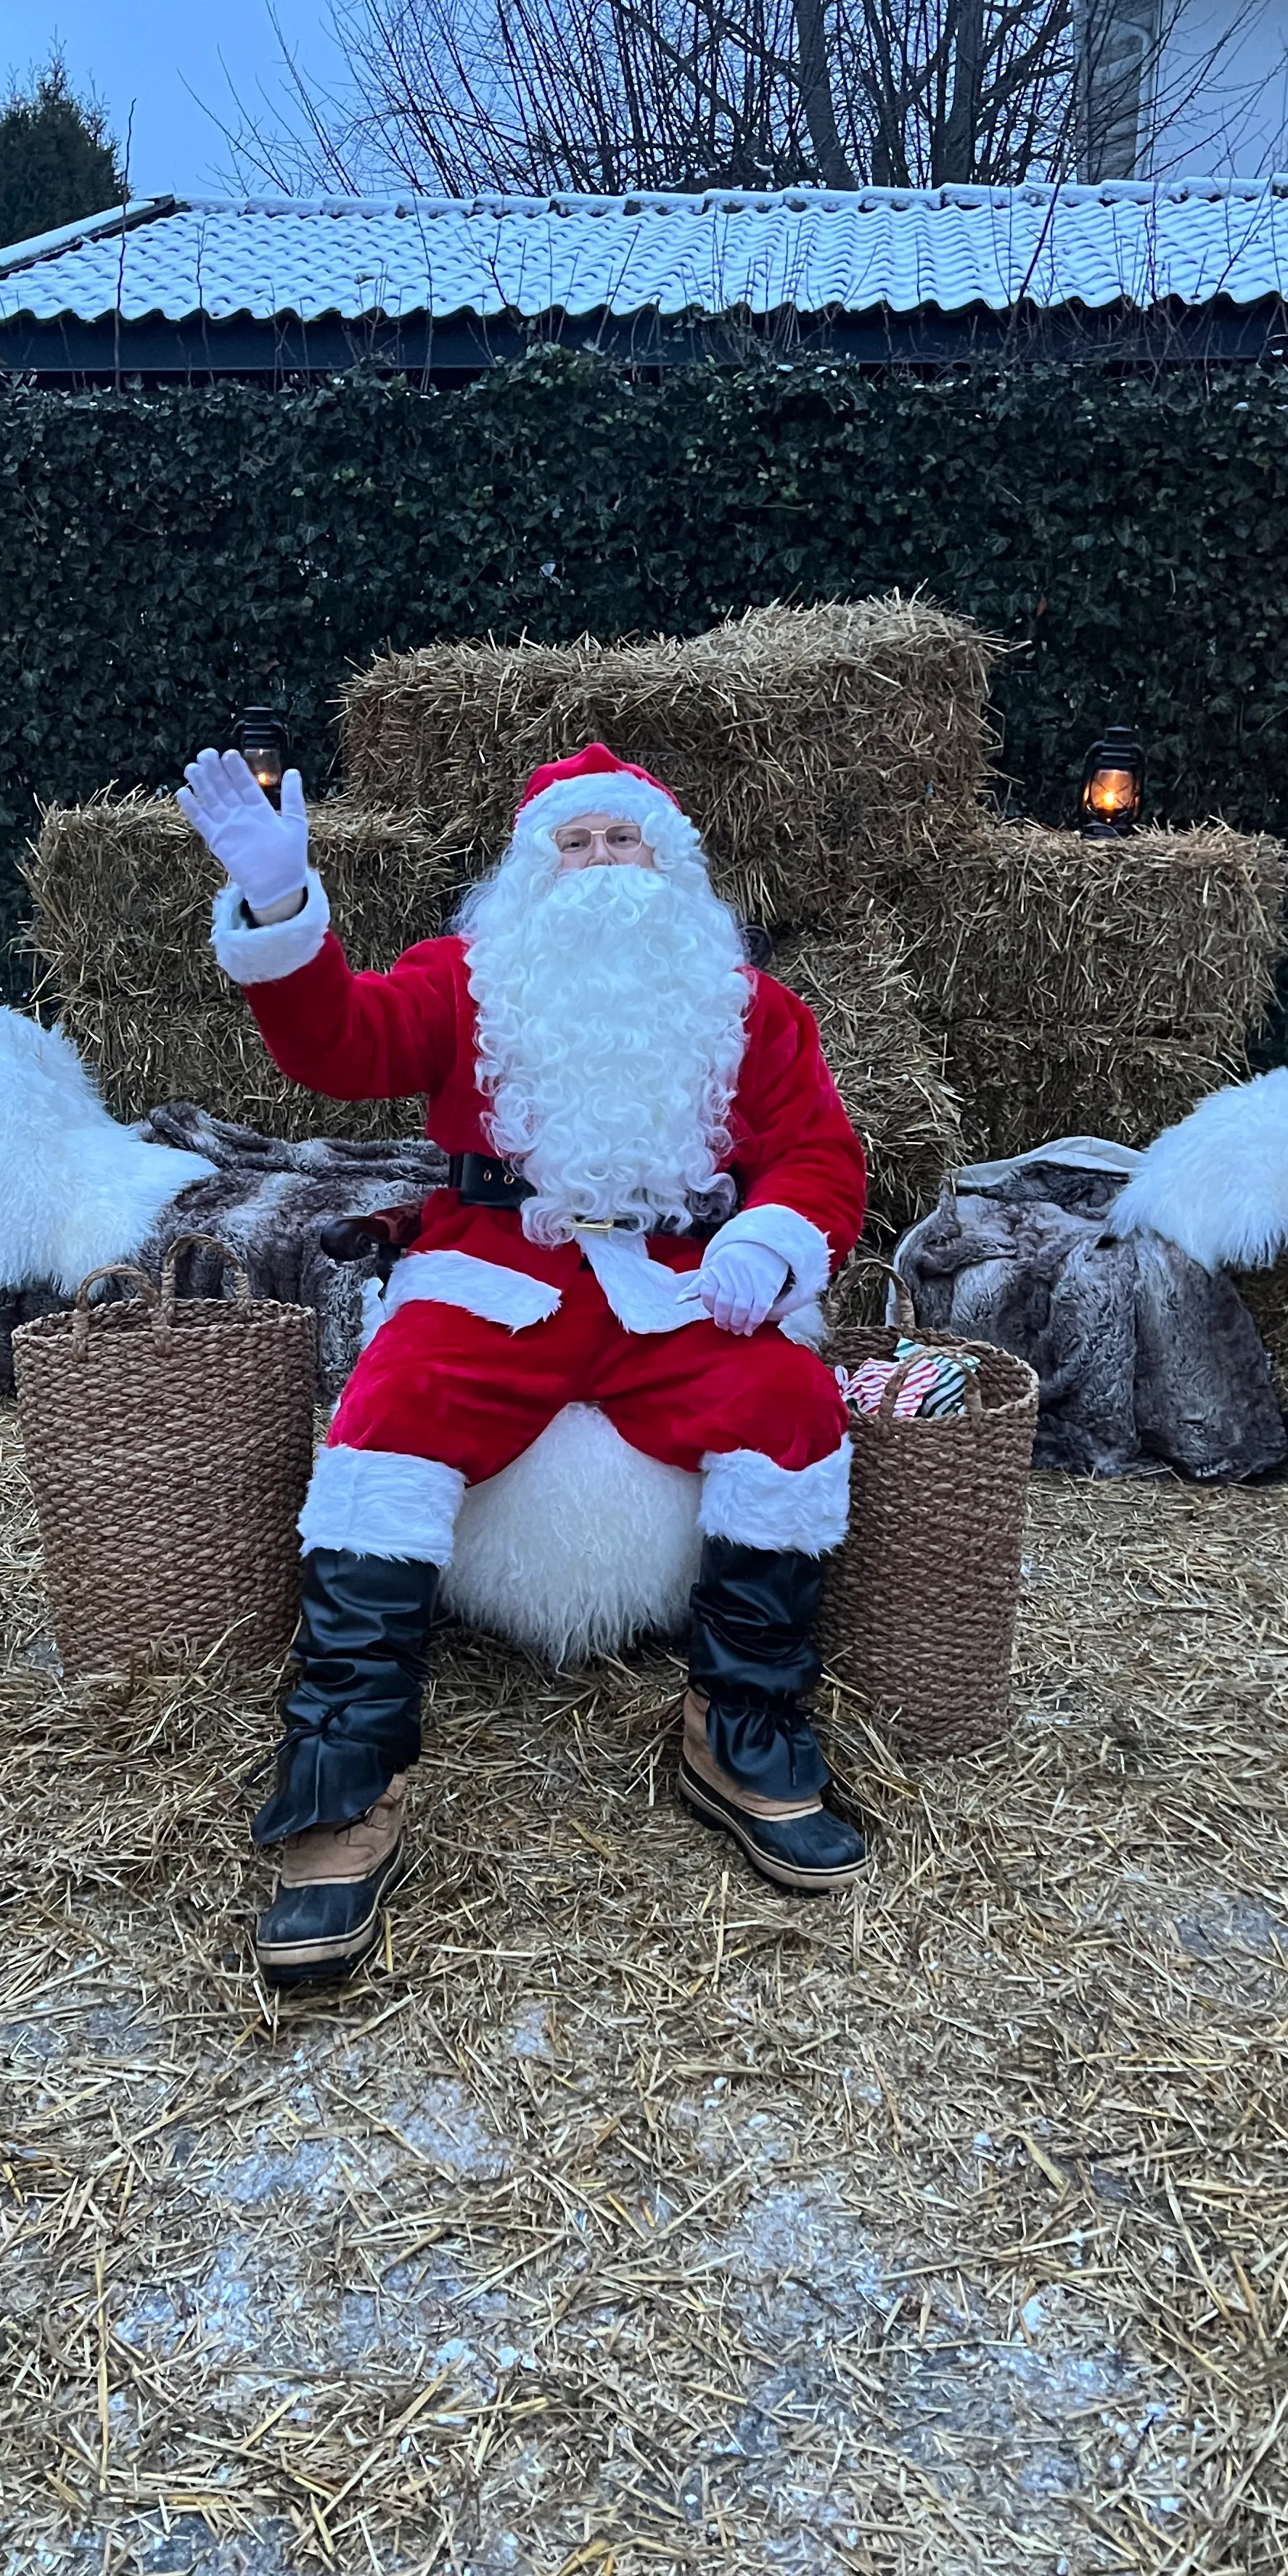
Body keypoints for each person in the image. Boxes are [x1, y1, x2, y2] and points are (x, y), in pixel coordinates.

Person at [176, 738, 869, 1986]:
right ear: (528, 874)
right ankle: (342, 1779)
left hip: (675, 1288)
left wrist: (772, 1241)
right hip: (498, 1274)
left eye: (624, 838)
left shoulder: (746, 1008)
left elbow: (818, 1152)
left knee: (790, 1403)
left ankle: (741, 1726)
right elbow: (342, 1045)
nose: (602, 862)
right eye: (575, 840)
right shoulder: (467, 979)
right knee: (388, 1417)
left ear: (675, 868)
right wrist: (281, 908)